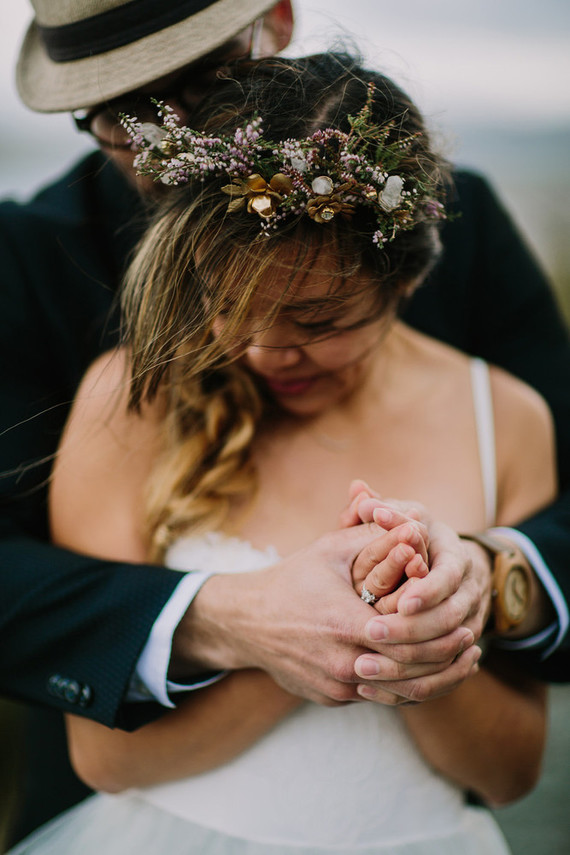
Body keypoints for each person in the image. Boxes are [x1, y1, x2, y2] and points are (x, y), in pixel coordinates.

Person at [1, 0, 568, 841]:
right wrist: (236, 619)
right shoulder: (34, 263)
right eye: (123, 112)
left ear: (275, 22)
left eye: (197, 84)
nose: (173, 138)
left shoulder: (444, 215)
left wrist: (481, 579)